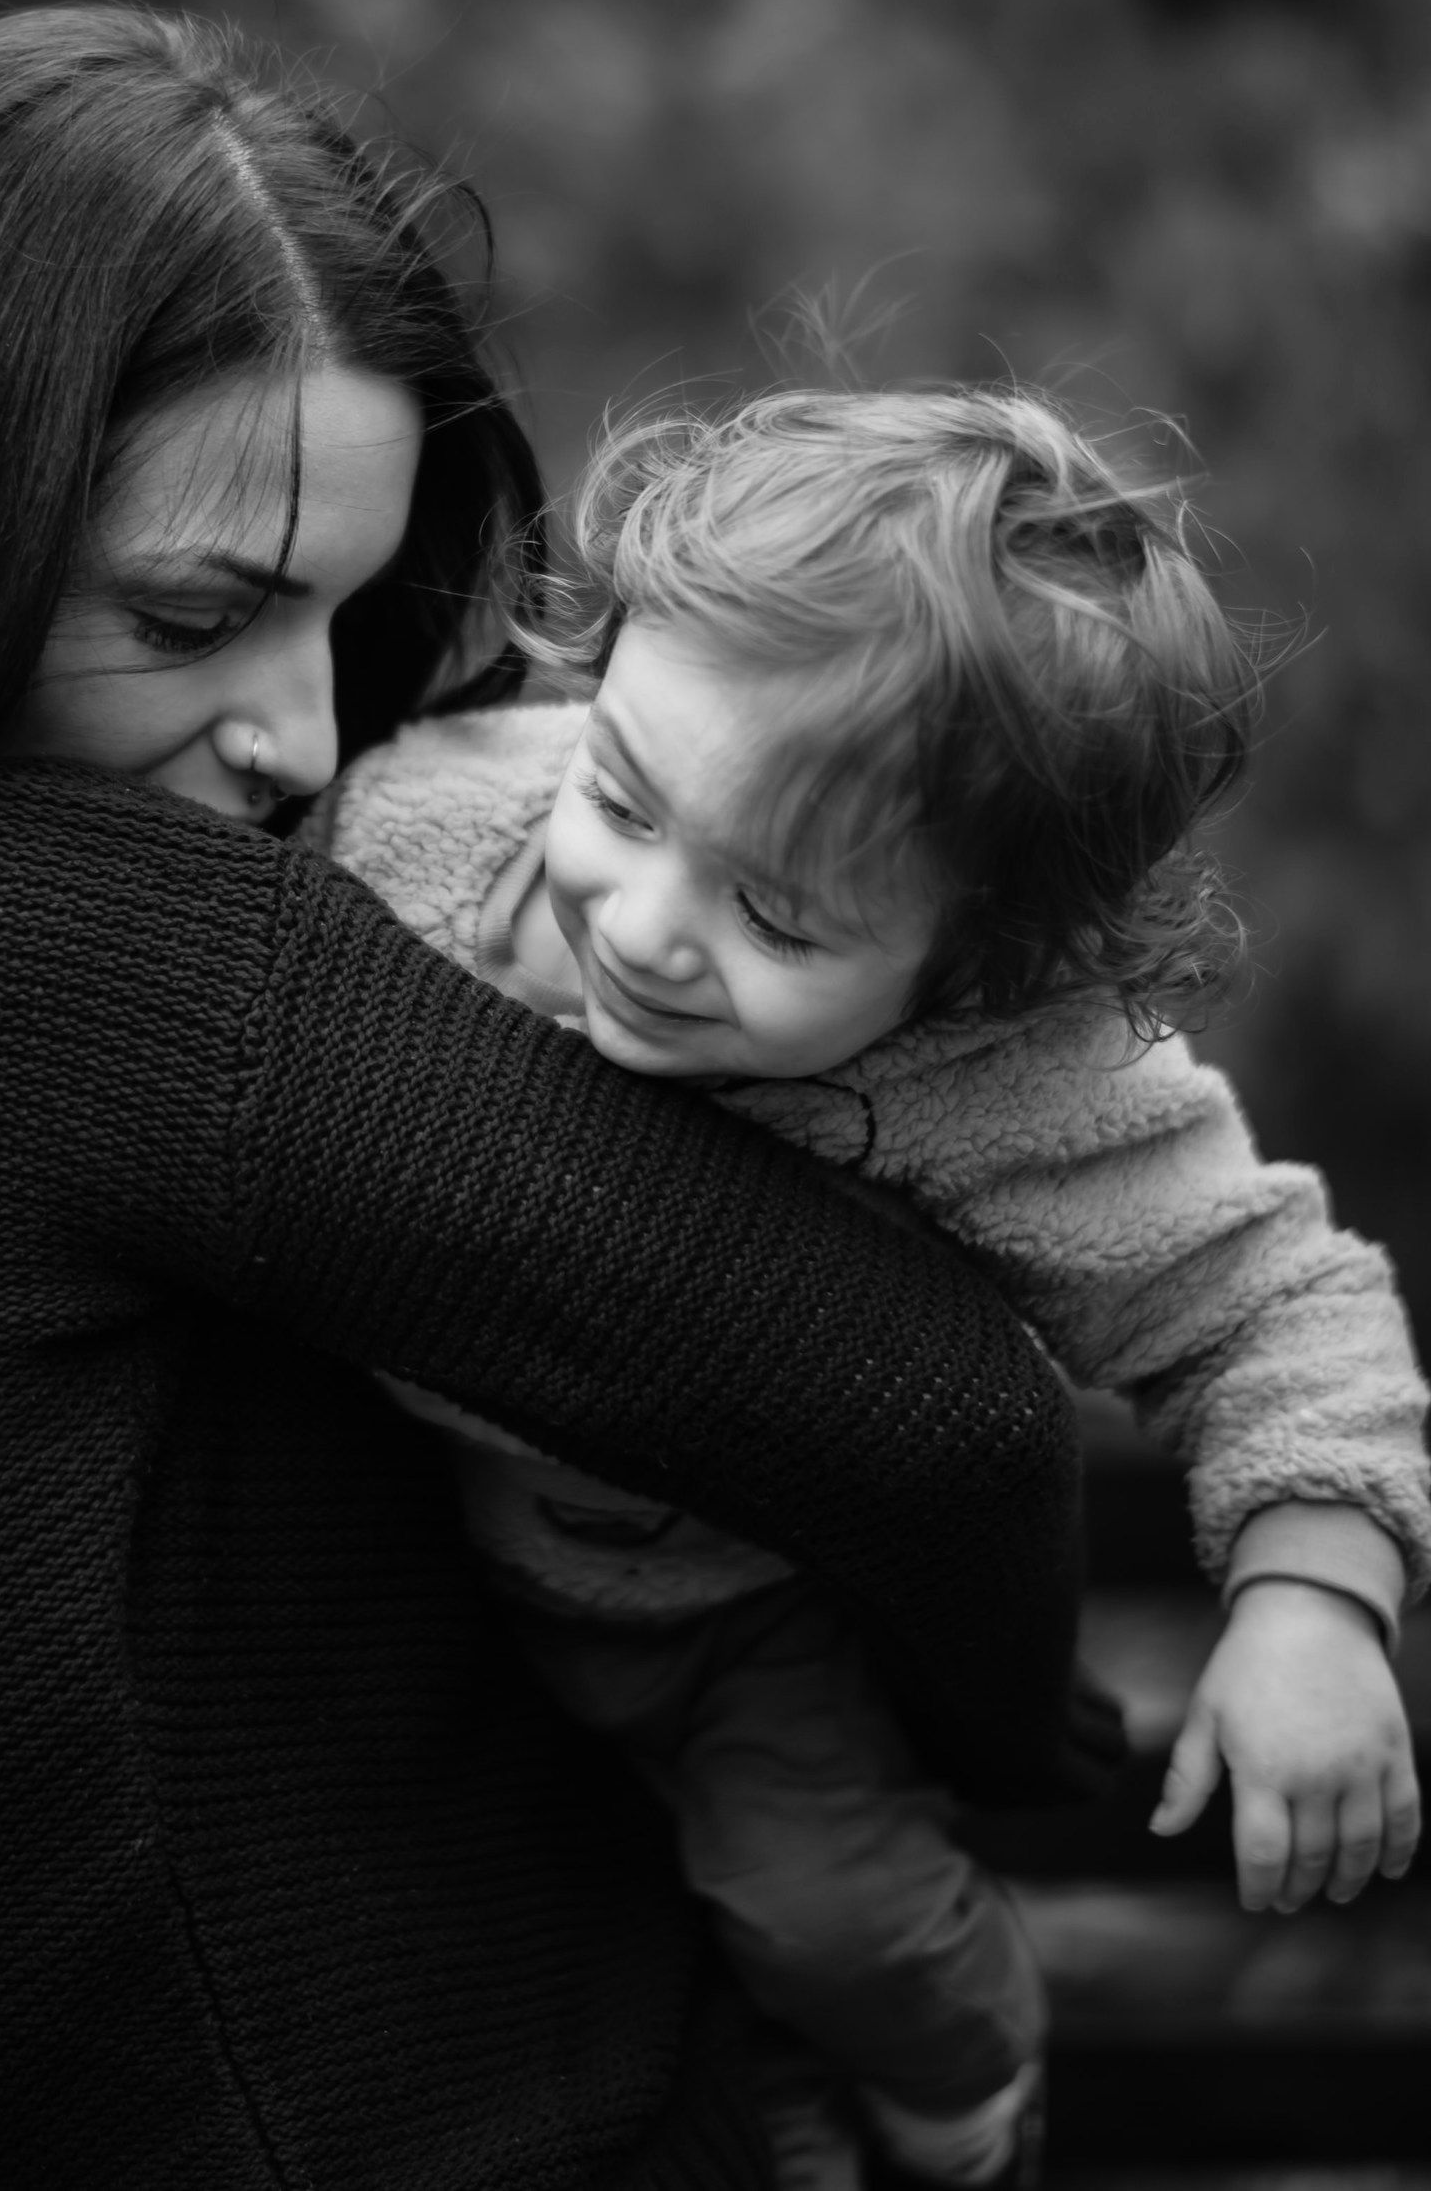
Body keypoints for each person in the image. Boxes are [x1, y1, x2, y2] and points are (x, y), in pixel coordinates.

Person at [0, 8, 1112, 2191]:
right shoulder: (50, 945)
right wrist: (998, 1747)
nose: (295, 736)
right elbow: (947, 1420)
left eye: (343, 626)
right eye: (195, 613)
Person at [318, 385, 1431, 2191]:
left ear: (986, 965)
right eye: (620, 792)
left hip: (735, 1618)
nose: (646, 921)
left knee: (827, 1916)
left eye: (779, 920)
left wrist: (1316, 1603)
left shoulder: (1012, 1084)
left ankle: (965, 2094)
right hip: (418, 1545)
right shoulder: (413, 829)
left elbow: (1270, 1303)